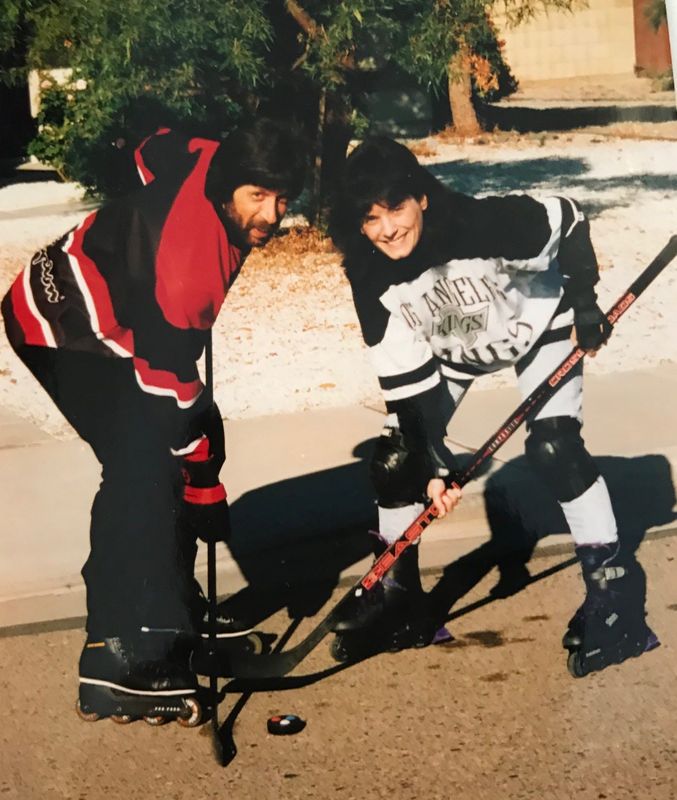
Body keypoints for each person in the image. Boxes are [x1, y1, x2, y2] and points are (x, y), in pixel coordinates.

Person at [1, 118, 306, 723]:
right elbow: (166, 385)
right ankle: (116, 658)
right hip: (61, 327)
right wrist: (203, 478)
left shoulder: (209, 155)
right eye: (257, 198)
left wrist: (201, 468)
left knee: (174, 453)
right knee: (142, 470)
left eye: (282, 198)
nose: (271, 215)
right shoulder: (191, 265)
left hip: (116, 312)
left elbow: (152, 147)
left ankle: (171, 618)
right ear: (226, 189)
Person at [328, 136, 658, 674]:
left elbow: (568, 217)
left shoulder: (483, 224)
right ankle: (398, 597)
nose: (387, 228)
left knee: (553, 445)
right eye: (371, 219)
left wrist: (586, 301)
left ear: (422, 199)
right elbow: (406, 388)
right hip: (459, 347)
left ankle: (613, 598)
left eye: (396, 208)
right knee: (396, 458)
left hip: (538, 327)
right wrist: (430, 465)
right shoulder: (369, 273)